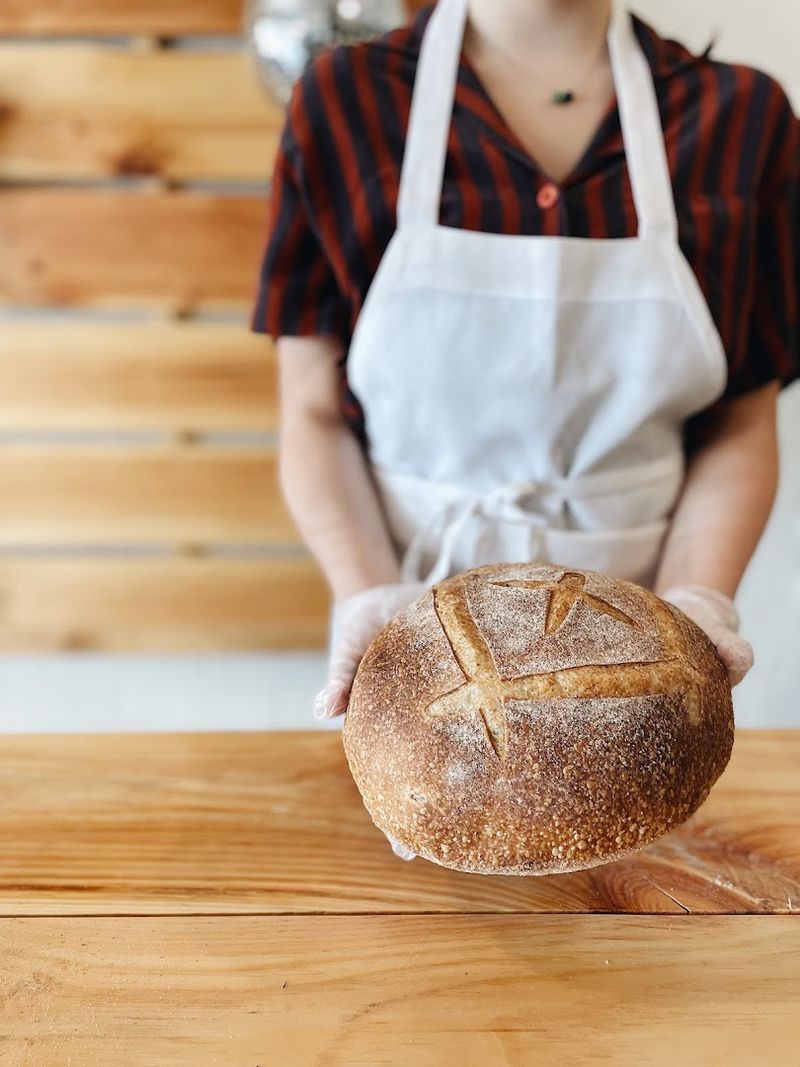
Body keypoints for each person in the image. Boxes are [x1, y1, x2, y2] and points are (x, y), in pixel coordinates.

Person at [252, 2, 798, 736]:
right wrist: (370, 595)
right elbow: (313, 413)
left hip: (638, 635)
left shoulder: (741, 119)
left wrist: (696, 602)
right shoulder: (344, 102)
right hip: (406, 622)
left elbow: (739, 421)